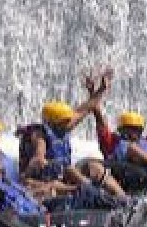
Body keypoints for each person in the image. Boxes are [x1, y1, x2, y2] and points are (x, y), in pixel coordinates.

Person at [18, 69, 128, 199]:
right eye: (64, 122)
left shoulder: (63, 126)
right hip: (40, 180)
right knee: (67, 169)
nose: (69, 123)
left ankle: (124, 199)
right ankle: (95, 194)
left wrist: (101, 90)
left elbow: (89, 106)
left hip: (62, 175)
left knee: (94, 167)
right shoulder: (39, 134)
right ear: (53, 123)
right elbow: (38, 157)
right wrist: (40, 163)